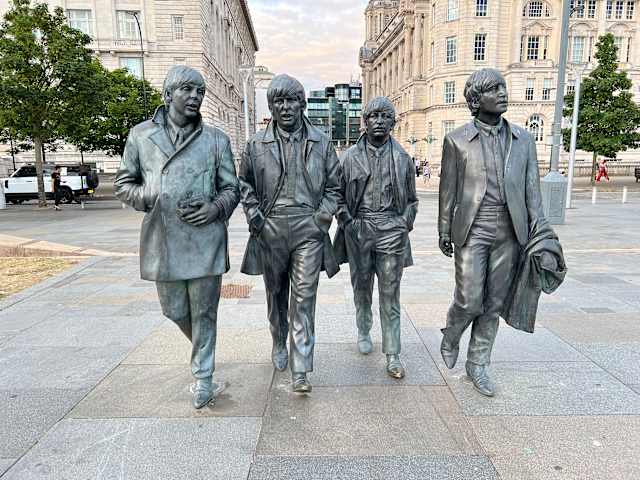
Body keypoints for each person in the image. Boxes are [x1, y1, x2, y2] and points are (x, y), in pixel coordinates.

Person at [115, 66, 240, 409]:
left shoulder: (216, 140)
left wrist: (215, 207)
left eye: (200, 91)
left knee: (205, 312)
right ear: (168, 95)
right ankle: (203, 349)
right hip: (163, 238)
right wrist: (150, 195)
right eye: (187, 89)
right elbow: (124, 184)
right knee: (173, 310)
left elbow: (232, 189)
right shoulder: (141, 136)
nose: (195, 96)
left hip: (205, 238)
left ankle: (204, 376)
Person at [438, 68, 559, 397]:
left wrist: (540, 233)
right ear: (477, 100)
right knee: (469, 299)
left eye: (503, 87)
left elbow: (532, 193)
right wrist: (444, 229)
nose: (503, 93)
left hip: (510, 231)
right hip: (472, 228)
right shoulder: (457, 140)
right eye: (494, 89)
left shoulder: (523, 140)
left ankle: (478, 364)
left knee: (493, 303)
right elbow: (448, 190)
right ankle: (452, 333)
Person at [238, 74, 341, 393]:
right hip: (271, 227)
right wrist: (256, 219)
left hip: (308, 228)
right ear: (271, 106)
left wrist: (321, 219)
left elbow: (335, 187)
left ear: (302, 104)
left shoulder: (322, 142)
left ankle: (301, 366)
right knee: (276, 294)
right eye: (279, 101)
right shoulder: (256, 144)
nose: (285, 107)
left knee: (304, 298)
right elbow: (244, 185)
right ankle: (278, 340)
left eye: (291, 100)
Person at [333, 97, 418, 379]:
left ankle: (393, 353)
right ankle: (363, 328)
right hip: (360, 228)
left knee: (390, 294)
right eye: (374, 116)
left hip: (391, 229)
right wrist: (349, 223)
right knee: (362, 287)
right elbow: (337, 196)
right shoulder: (349, 158)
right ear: (365, 122)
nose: (379, 121)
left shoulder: (403, 158)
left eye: (385, 116)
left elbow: (412, 200)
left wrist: (403, 224)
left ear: (393, 122)